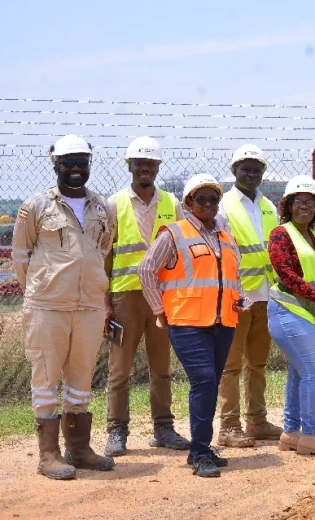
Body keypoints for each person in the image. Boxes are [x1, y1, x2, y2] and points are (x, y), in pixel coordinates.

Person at [13, 134, 116, 480]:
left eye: (81, 163)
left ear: (89, 165)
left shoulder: (102, 207)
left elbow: (103, 250)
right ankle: (48, 455)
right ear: (55, 164)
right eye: (68, 162)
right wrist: (42, 291)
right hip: (47, 306)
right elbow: (21, 257)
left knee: (81, 377)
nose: (75, 168)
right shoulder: (36, 206)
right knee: (45, 378)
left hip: (89, 307)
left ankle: (79, 448)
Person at [138, 174, 244, 478]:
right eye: (201, 199)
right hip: (187, 323)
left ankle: (202, 447)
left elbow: (232, 275)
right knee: (204, 381)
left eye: (213, 199)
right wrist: (159, 309)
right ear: (188, 202)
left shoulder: (225, 236)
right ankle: (199, 453)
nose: (208, 204)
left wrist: (239, 298)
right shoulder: (174, 233)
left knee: (210, 383)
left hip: (223, 321)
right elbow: (146, 270)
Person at [104, 136, 190, 457]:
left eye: (151, 164)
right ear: (130, 166)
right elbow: (106, 256)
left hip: (162, 298)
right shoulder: (114, 204)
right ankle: (116, 430)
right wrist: (105, 302)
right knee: (120, 369)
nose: (145, 168)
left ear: (158, 167)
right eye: (139, 163)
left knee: (161, 367)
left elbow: (180, 253)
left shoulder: (172, 204)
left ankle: (163, 428)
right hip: (125, 297)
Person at [268, 176, 315, 456]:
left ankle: (291, 432)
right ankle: (311, 434)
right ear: (288, 205)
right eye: (298, 201)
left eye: (310, 202)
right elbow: (285, 272)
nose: (305, 206)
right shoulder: (280, 234)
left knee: (300, 371)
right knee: (314, 370)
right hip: (289, 310)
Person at [217, 144, 281, 447]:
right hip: (237, 296)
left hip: (265, 295)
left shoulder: (268, 206)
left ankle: (257, 420)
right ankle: (229, 426)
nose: (252, 173)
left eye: (257, 169)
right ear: (235, 170)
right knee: (231, 364)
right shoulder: (224, 205)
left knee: (257, 363)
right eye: (246, 168)